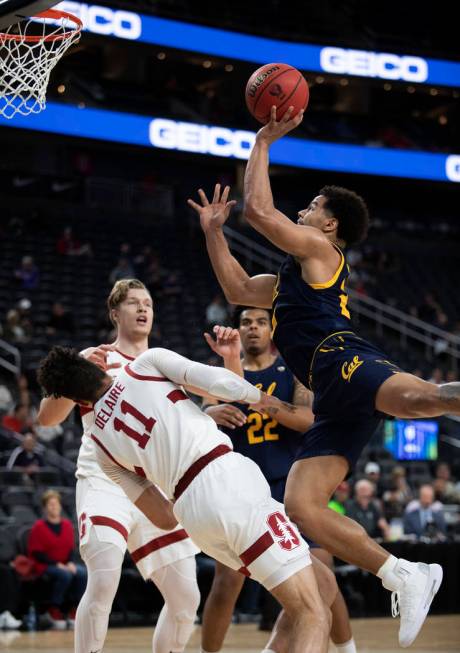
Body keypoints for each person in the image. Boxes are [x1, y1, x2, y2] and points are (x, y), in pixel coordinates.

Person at [188, 104, 456, 645]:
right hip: (332, 398)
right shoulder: (286, 277)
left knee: (421, 402)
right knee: (302, 506)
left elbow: (261, 213)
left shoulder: (320, 249)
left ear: (329, 224)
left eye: (312, 206)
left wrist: (263, 140)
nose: (305, 210)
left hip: (341, 357)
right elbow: (240, 290)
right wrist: (214, 232)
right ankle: (404, 573)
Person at [37, 346, 332, 653]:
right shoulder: (144, 364)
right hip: (223, 479)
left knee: (322, 583)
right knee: (311, 612)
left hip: (193, 515)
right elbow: (221, 384)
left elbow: (163, 517)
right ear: (100, 369)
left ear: (79, 401)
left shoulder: (99, 447)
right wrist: (266, 401)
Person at [37, 279, 200, 653]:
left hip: (152, 485)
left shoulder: (162, 364)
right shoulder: (96, 355)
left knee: (185, 599)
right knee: (106, 573)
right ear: (114, 313)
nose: (143, 309)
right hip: (104, 479)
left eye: (148, 303)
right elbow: (46, 418)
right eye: (132, 303)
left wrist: (211, 413)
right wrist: (72, 381)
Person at [201, 308, 358, 653]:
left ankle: (347, 649)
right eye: (245, 322)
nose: (253, 328)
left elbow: (307, 419)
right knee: (227, 581)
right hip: (241, 490)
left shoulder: (295, 371)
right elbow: (196, 417)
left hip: (291, 487)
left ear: (271, 330)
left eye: (260, 322)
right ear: (238, 330)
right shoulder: (219, 372)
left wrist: (257, 401)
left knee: (323, 575)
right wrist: (208, 412)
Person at [28, 490, 87, 629]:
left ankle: (75, 609)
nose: (54, 507)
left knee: (82, 573)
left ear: (60, 506)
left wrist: (70, 562)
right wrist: (57, 564)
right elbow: (37, 554)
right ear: (45, 508)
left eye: (56, 504)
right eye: (50, 504)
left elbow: (71, 549)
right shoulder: (38, 527)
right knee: (65, 575)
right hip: (44, 565)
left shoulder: (67, 525)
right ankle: (54, 609)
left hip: (65, 564)